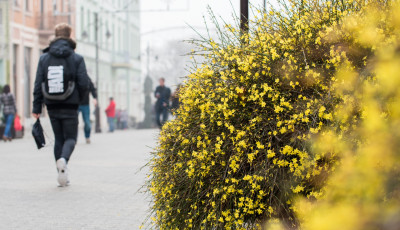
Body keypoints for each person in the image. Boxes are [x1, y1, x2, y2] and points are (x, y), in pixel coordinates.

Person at [32, 23, 89, 187]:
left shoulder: (44, 58)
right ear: (69, 36)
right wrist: (79, 99)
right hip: (70, 104)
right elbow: (83, 83)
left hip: (52, 104)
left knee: (58, 138)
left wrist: (37, 108)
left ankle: (61, 173)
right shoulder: (76, 58)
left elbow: (38, 84)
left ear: (55, 36)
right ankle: (63, 161)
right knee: (71, 138)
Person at [78, 77, 97, 144]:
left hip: (85, 104)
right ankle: (73, 138)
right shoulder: (74, 76)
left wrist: (95, 97)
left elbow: (92, 89)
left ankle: (87, 137)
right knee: (73, 123)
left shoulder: (87, 79)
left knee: (87, 122)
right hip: (75, 104)